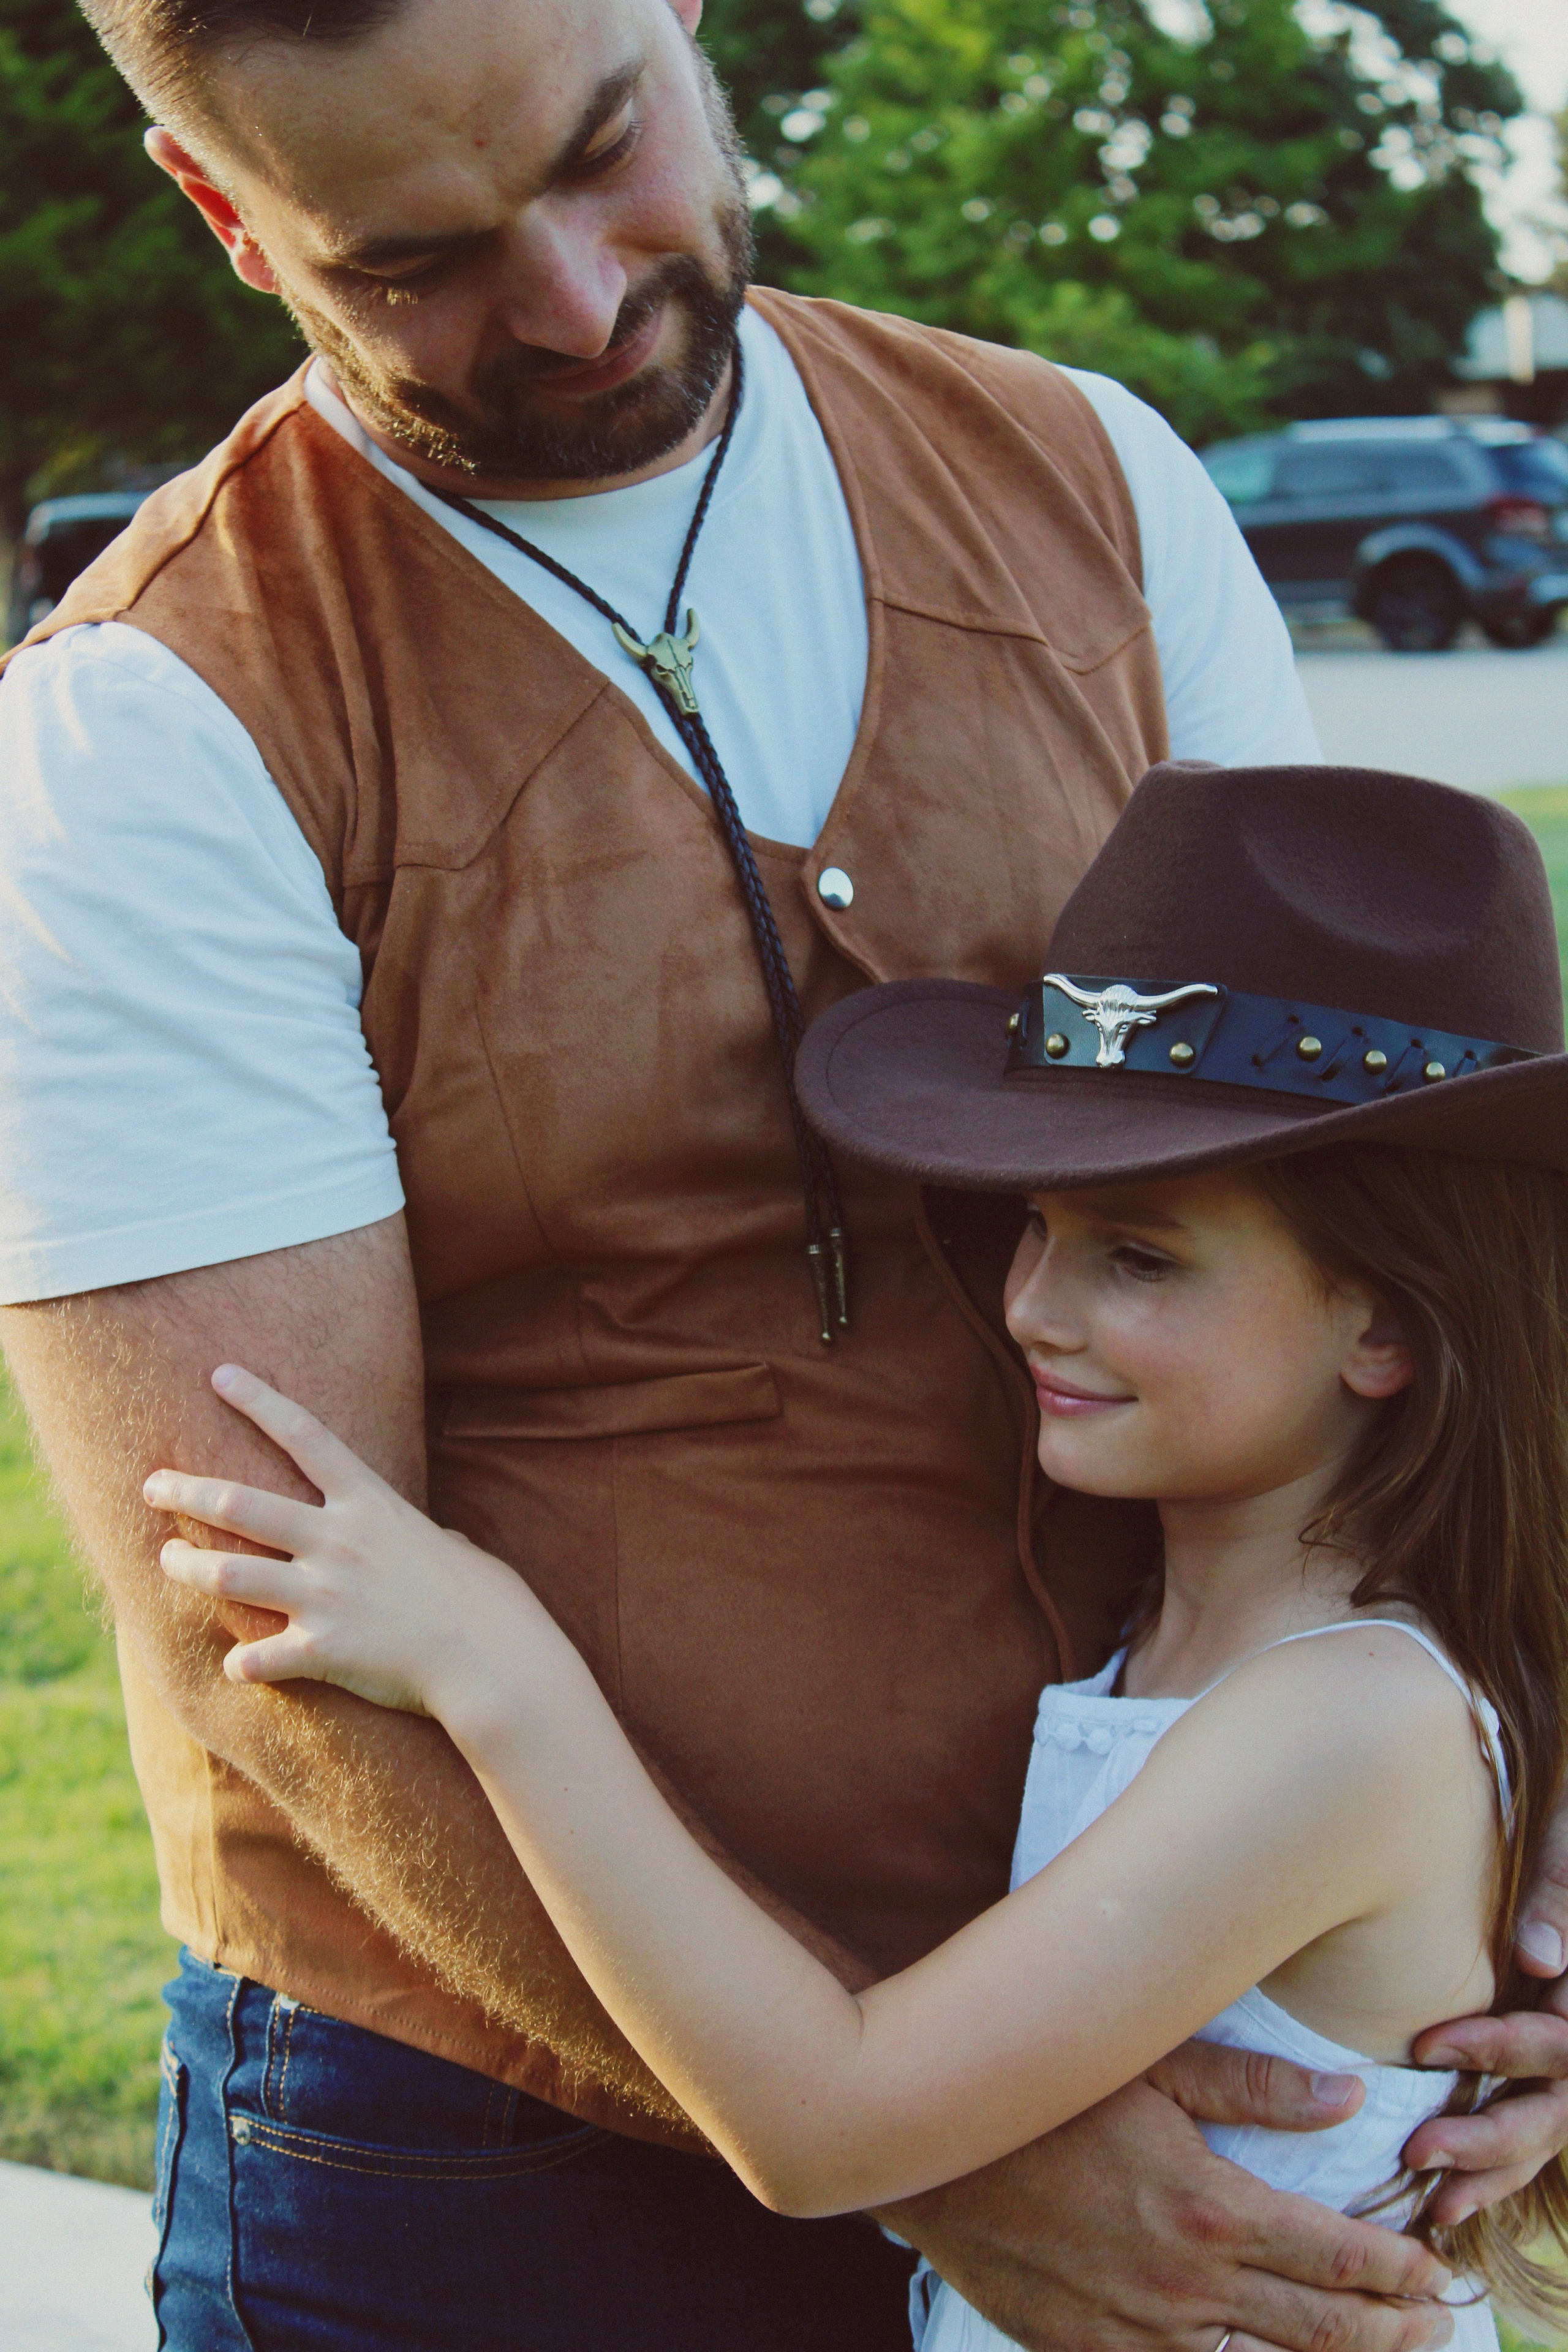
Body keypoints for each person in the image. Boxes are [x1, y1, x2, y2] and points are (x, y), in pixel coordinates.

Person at [2, 0, 1566, 2340]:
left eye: (605, 146)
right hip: (495, 2155)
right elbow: (271, 1624)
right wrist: (956, 2159)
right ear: (226, 210)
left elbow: (1392, 1228)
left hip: (1165, 2050)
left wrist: (1521, 1905)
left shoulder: (1096, 487)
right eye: (412, 253)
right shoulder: (154, 728)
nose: (568, 296)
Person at [146, 763, 1568, 2352]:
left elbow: (825, 2124)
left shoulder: (1344, 1722)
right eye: (1039, 1225)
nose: (1034, 1305)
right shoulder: (1209, 1638)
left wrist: (494, 1660)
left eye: (1143, 1257)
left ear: (1388, 1319)